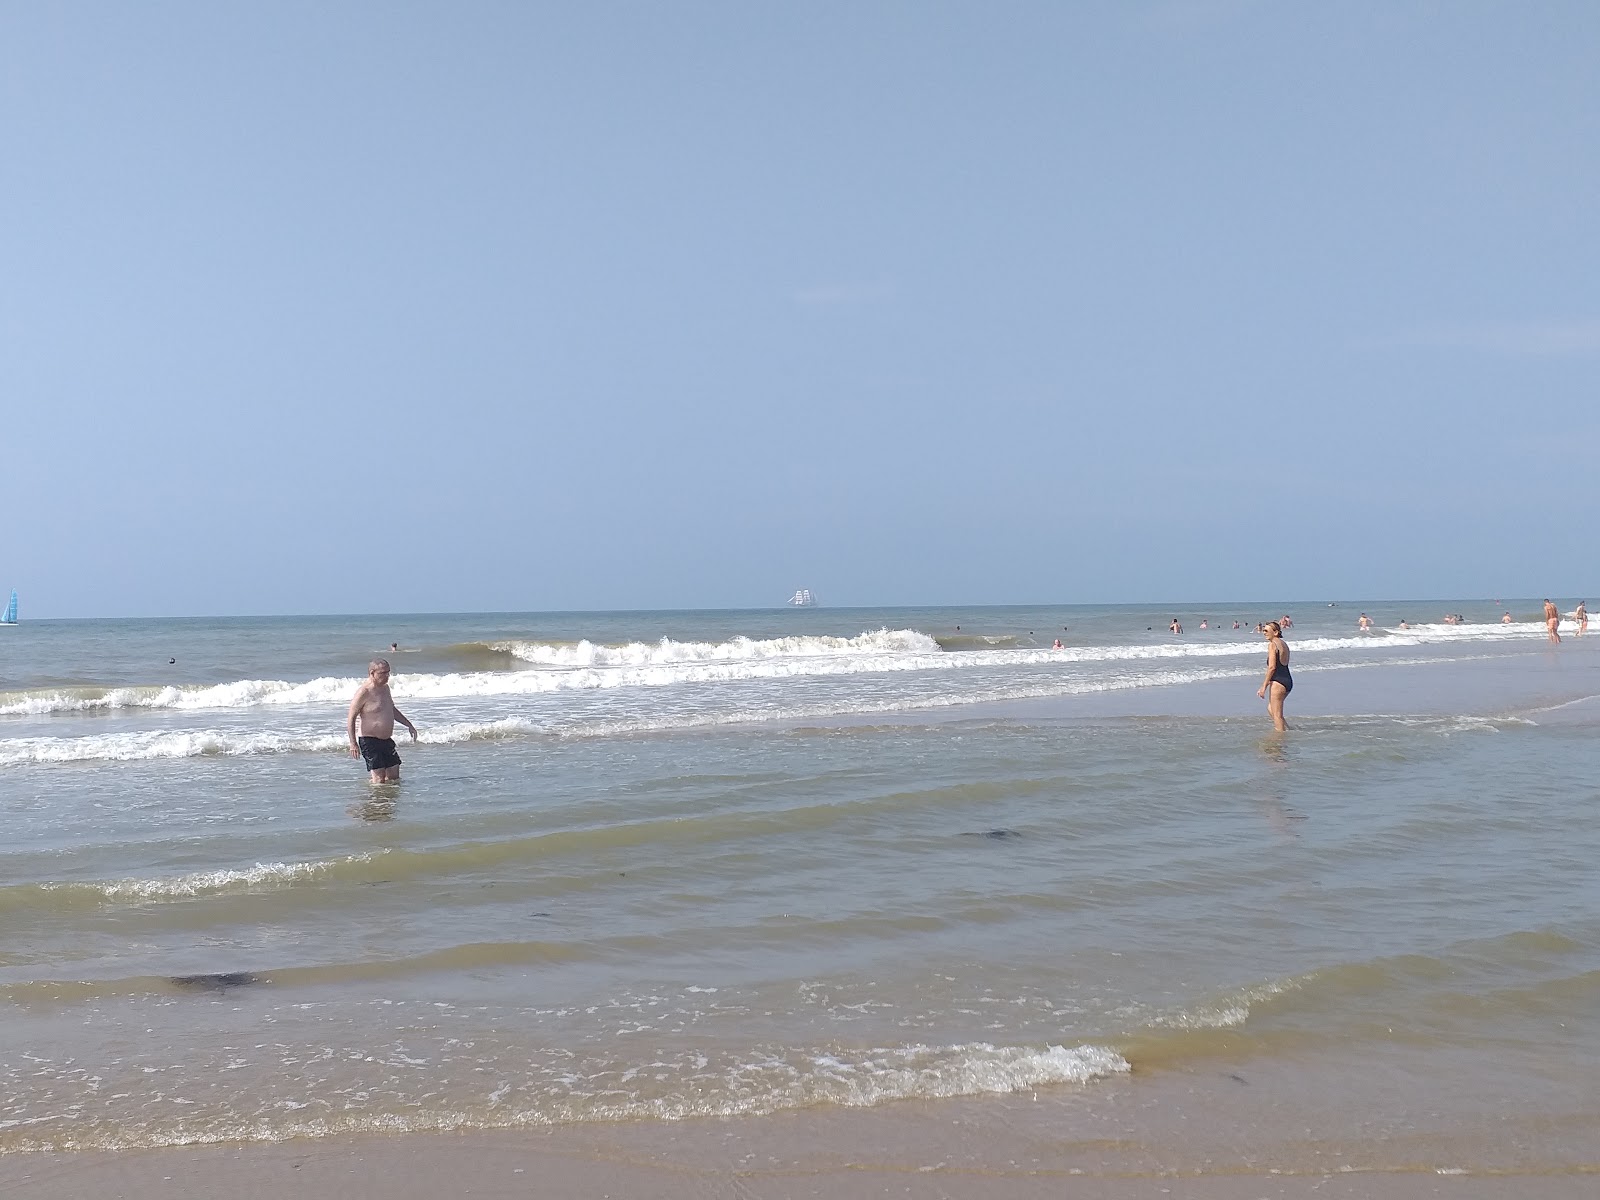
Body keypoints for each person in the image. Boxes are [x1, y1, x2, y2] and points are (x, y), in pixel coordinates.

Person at [346, 659, 417, 783]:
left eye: (388, 673)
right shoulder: (364, 691)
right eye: (383, 673)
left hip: (386, 740)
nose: (387, 676)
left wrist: (409, 725)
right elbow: (351, 717)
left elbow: (391, 709)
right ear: (372, 673)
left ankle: (389, 801)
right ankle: (376, 802)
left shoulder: (385, 688)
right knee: (379, 779)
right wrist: (353, 743)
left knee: (394, 776)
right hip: (369, 741)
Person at [1257, 621, 1292, 732]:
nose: (1264, 633)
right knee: (1271, 709)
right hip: (1287, 680)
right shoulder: (1283, 644)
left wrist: (1263, 686)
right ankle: (1289, 730)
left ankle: (1279, 741)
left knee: (1277, 715)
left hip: (1278, 683)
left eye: (1267, 631)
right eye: (1263, 630)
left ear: (1275, 632)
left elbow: (1272, 667)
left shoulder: (1272, 645)